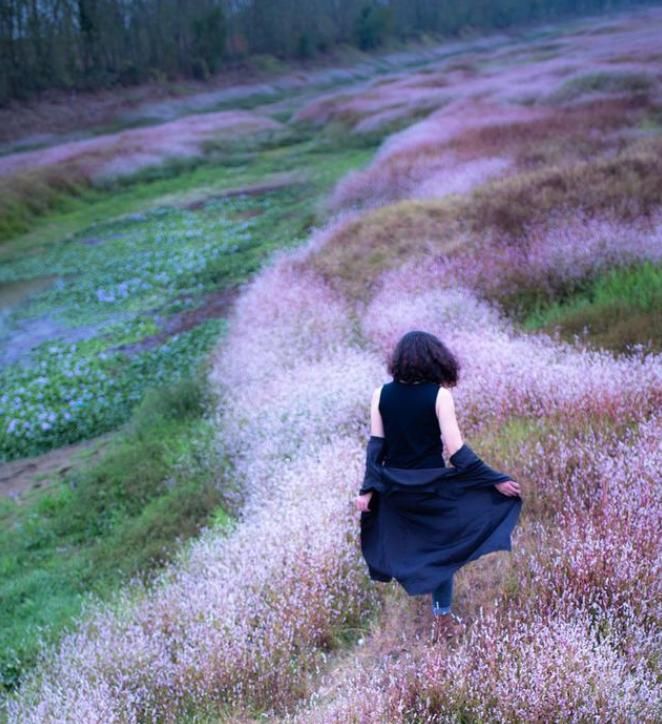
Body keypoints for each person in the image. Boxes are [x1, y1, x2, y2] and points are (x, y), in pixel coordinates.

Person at [354, 330, 523, 644]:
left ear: (400, 361)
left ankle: (434, 602)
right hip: (430, 485)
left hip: (395, 488)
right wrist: (494, 479)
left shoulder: (380, 394)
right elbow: (456, 452)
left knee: (419, 546)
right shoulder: (439, 396)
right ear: (435, 360)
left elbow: (376, 447)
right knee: (443, 549)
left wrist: (368, 489)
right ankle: (442, 615)